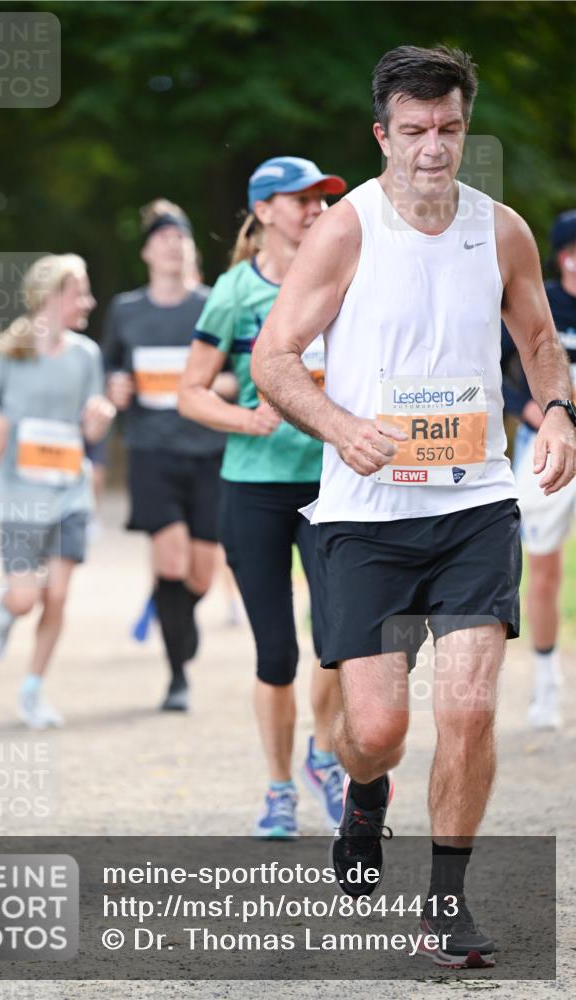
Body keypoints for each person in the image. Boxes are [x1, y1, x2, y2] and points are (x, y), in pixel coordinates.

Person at [251, 46, 576, 967]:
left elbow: (538, 340)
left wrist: (557, 411)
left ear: (463, 129)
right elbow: (274, 357)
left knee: (467, 710)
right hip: (366, 516)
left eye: (448, 129)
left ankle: (444, 903)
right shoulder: (345, 230)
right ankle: (363, 797)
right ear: (381, 135)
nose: (432, 147)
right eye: (413, 131)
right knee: (378, 732)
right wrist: (338, 425)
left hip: (475, 503)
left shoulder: (500, 230)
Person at [178, 156, 347, 839]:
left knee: (340, 641)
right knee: (276, 653)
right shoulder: (234, 290)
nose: (315, 209)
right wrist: (244, 419)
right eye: (300, 199)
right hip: (253, 490)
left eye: (321, 199)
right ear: (265, 210)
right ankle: (278, 790)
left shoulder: (347, 275)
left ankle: (323, 757)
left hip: (335, 483)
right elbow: (190, 392)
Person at [0, 254, 114, 729]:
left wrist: (101, 416)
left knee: (58, 595)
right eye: (79, 293)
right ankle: (6, 611)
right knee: (26, 597)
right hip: (20, 494)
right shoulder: (9, 350)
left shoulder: (86, 354)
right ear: (49, 296)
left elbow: (92, 421)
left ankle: (32, 690)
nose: (88, 301)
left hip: (70, 492)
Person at [102, 199, 228, 712]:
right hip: (151, 451)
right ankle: (177, 676)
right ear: (146, 252)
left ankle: (180, 614)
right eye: (163, 238)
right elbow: (111, 370)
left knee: (201, 574)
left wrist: (199, 386)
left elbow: (238, 373)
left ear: (191, 250)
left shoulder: (212, 305)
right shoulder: (126, 310)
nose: (173, 246)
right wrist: (115, 386)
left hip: (209, 451)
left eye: (181, 238)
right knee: (170, 559)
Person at [503, 210, 576, 730]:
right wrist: (528, 407)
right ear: (562, 256)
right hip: (548, 447)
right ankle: (546, 679)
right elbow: (492, 362)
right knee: (544, 570)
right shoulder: (542, 300)